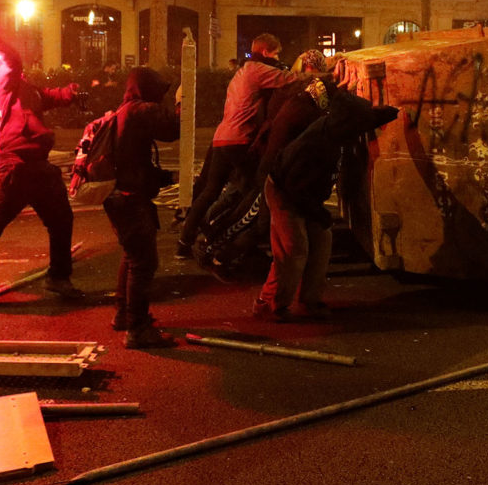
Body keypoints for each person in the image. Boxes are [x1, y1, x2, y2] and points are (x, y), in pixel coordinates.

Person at [0, 31, 84, 308]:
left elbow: (47, 96)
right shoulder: (5, 81)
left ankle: (58, 277)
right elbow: (11, 58)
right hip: (17, 166)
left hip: (36, 164)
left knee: (61, 220)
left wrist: (69, 93)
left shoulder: (24, 88)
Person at [254, 90, 398, 322]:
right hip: (284, 191)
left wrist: (396, 112)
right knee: (293, 248)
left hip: (305, 193)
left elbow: (370, 118)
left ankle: (309, 301)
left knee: (322, 243)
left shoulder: (341, 127)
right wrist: (319, 214)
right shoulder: (315, 145)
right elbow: (296, 189)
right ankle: (270, 304)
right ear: (346, 122)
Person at [176, 33, 299, 258]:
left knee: (211, 191)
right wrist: (324, 77)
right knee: (254, 189)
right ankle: (228, 239)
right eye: (276, 53)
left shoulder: (240, 73)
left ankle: (185, 241)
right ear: (266, 52)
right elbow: (289, 79)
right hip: (239, 140)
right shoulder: (257, 70)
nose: (278, 57)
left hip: (221, 138)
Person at [102, 67, 181, 348]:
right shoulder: (140, 111)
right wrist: (184, 100)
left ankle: (124, 314)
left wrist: (166, 177)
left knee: (132, 256)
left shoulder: (123, 111)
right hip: (130, 198)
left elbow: (135, 162)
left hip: (118, 196)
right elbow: (174, 129)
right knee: (144, 262)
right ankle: (137, 329)